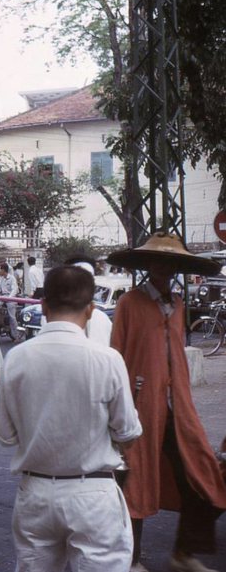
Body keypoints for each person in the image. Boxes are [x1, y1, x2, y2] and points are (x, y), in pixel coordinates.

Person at [0, 265, 143, 572]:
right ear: (90, 309)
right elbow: (128, 430)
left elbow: (5, 436)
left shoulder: (16, 358)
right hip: (92, 494)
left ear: (43, 305)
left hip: (35, 494)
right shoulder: (107, 360)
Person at [107, 232, 226, 572]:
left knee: (201, 471)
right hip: (140, 406)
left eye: (171, 261)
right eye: (158, 260)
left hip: (179, 408)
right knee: (135, 479)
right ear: (147, 264)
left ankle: (184, 553)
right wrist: (117, 406)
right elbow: (117, 356)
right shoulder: (129, 303)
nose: (165, 267)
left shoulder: (177, 305)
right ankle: (131, 560)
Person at [0, 262, 21, 342]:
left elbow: (14, 290)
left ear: (3, 270)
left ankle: (16, 336)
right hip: (2, 297)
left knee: (12, 317)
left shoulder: (12, 278)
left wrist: (8, 298)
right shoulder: (1, 279)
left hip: (10, 298)